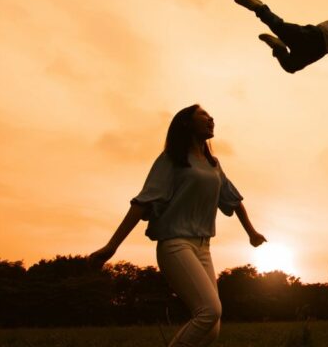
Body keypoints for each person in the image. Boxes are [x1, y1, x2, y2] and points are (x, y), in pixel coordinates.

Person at [89, 104, 266, 347]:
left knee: (212, 330)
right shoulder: (172, 160)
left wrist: (252, 233)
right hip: (175, 244)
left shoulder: (213, 163)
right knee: (209, 311)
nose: (210, 117)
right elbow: (143, 201)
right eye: (203, 114)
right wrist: (112, 245)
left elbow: (233, 200)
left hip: (204, 247)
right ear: (185, 123)